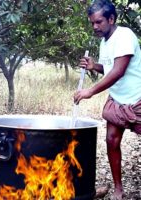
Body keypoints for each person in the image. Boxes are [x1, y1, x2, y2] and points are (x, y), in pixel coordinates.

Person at [74, 0, 141, 199]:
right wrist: (94, 66)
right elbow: (110, 68)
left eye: (99, 22)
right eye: (92, 23)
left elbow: (119, 72)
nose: (95, 26)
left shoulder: (124, 36)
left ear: (111, 19)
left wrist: (90, 91)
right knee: (111, 141)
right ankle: (118, 189)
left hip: (137, 99)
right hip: (117, 101)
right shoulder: (105, 42)